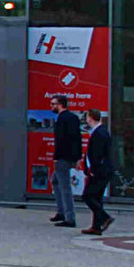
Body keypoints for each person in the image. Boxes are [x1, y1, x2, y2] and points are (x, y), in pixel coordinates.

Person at [49, 95, 81, 228]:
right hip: (67, 156)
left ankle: (69, 217)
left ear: (60, 104)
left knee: (65, 186)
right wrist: (78, 157)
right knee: (55, 181)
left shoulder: (63, 119)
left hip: (63, 157)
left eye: (53, 104)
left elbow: (62, 140)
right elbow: (77, 138)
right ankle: (62, 212)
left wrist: (57, 156)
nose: (51, 106)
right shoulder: (72, 118)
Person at [81, 109, 115, 235]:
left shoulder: (100, 133)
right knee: (96, 197)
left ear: (90, 118)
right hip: (100, 170)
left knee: (88, 196)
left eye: (87, 117)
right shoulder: (99, 131)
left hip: (100, 171)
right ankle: (96, 227)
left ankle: (105, 217)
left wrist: (93, 170)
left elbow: (98, 155)